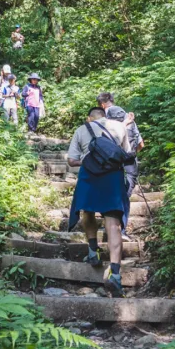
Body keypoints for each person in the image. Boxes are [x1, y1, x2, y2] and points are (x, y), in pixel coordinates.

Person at [66, 106, 134, 297]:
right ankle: (115, 273)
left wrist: (88, 160)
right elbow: (126, 153)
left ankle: (93, 250)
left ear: (90, 118)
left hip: (89, 174)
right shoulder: (120, 127)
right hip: (112, 175)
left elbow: (71, 161)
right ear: (105, 116)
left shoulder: (81, 130)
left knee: (87, 210)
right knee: (113, 223)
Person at [99, 93, 144, 240]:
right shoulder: (131, 123)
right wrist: (132, 154)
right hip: (130, 164)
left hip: (112, 164)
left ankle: (110, 227)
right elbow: (141, 145)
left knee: (111, 194)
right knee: (124, 197)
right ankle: (121, 230)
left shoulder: (106, 126)